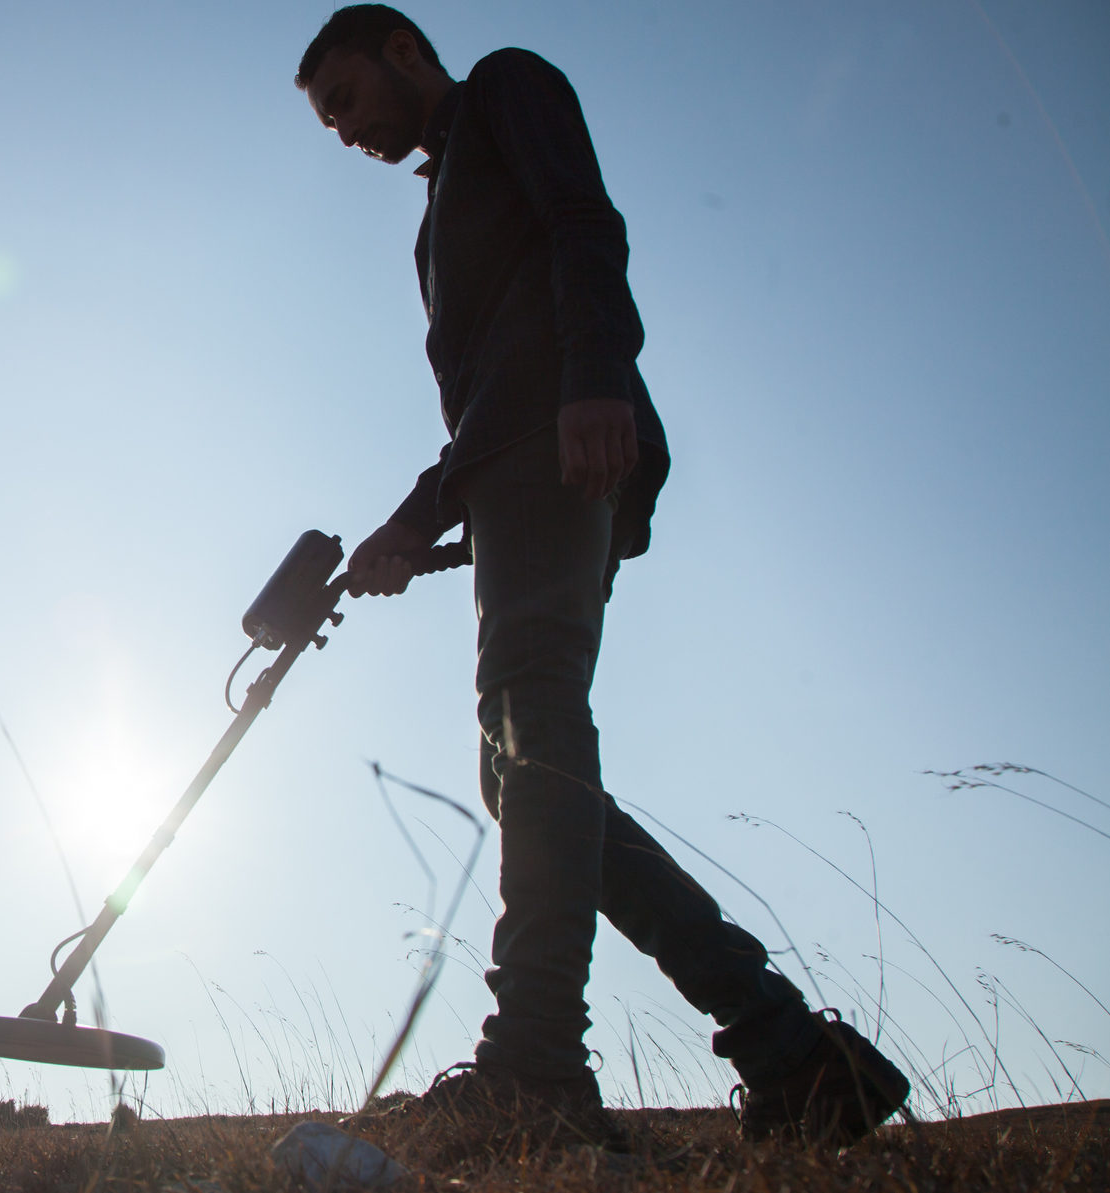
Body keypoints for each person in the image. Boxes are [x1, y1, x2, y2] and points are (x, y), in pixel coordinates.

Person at [295, 5, 909, 1148]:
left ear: (400, 52)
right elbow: (481, 399)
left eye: (345, 100)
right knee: (525, 770)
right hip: (513, 470)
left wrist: (595, 379)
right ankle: (791, 1049)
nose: (345, 132)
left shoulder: (509, 91)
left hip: (564, 441)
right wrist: (405, 526)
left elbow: (585, 225)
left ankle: (533, 1060)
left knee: (534, 743)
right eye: (328, 121)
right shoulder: (435, 216)